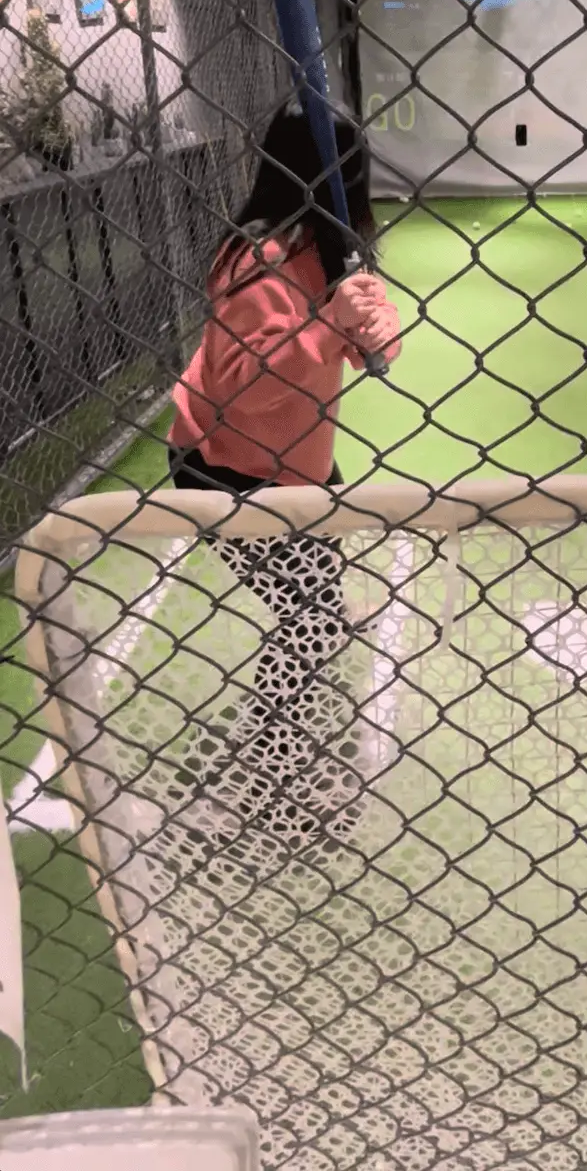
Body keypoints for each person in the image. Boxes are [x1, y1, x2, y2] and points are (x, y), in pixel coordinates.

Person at [168, 100, 401, 846]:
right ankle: (264, 768)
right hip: (227, 468)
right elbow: (248, 385)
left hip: (295, 464)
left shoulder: (326, 248)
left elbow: (364, 337)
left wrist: (372, 325)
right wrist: (330, 327)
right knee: (310, 621)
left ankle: (280, 743)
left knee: (317, 600)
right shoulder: (260, 259)